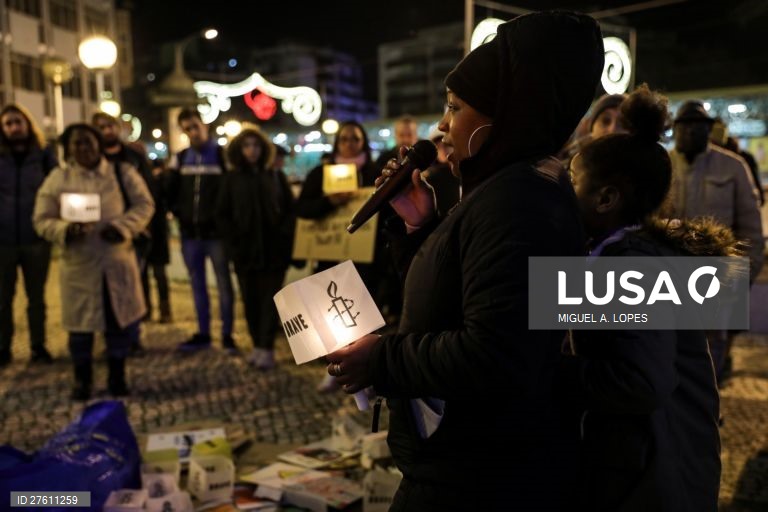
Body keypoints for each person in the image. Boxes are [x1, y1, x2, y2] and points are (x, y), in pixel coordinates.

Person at [324, 12, 605, 510]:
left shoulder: (520, 203)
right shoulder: (505, 190)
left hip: (479, 478)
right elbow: (465, 295)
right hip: (467, 464)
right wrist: (421, 228)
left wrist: (381, 359)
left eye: (455, 107)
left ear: (506, 115)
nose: (442, 125)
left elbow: (497, 355)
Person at [566, 84, 721, 511]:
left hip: (656, 476)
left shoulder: (632, 266)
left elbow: (641, 383)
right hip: (655, 465)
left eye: (572, 182)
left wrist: (547, 371)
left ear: (606, 198)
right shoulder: (622, 253)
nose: (564, 193)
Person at [33, 123, 154, 400]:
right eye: (76, 143)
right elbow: (41, 219)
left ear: (98, 144)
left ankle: (117, 375)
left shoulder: (121, 173)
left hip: (115, 262)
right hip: (78, 266)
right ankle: (82, 379)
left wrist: (123, 227)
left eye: (88, 142)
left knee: (117, 326)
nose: (83, 148)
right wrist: (65, 230)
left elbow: (144, 204)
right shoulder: (58, 179)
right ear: (68, 148)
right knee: (80, 330)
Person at [667, 101, 764, 382]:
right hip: (668, 284)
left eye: (698, 127)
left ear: (708, 129)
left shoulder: (733, 167)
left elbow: (751, 230)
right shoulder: (664, 165)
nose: (690, 133)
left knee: (708, 366)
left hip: (717, 284)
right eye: (684, 126)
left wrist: (738, 281)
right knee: (667, 361)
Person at [217, 126, 295, 367]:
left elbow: (290, 210)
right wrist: (234, 242)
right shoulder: (231, 179)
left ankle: (267, 346)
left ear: (264, 149)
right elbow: (222, 214)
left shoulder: (274, 176)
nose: (252, 150)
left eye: (256, 145)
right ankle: (256, 345)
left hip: (273, 252)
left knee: (270, 301)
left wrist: (284, 236)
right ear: (239, 150)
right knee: (250, 300)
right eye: (247, 145)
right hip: (245, 252)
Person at [167, 108, 235, 352]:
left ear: (204, 125)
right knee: (197, 285)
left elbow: (231, 192)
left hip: (216, 235)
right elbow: (170, 190)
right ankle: (203, 333)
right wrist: (178, 212)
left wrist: (222, 221)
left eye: (194, 126)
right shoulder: (181, 157)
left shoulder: (220, 154)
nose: (192, 132)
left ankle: (227, 335)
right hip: (190, 234)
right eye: (187, 129)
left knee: (224, 285)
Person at [92, 112, 155, 355]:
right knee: (104, 289)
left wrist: (140, 224)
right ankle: (111, 337)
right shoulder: (91, 160)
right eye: (100, 127)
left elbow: (148, 193)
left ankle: (133, 335)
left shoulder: (132, 158)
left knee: (133, 284)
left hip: (133, 231)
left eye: (109, 126)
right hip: (101, 235)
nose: (106, 131)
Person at [0, 104, 58, 367]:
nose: (14, 127)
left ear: (27, 123)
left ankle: (38, 346)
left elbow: (57, 188)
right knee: (3, 298)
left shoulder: (44, 155)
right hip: (3, 241)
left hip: (36, 238)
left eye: (17, 122)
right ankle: (3, 348)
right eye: (8, 123)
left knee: (36, 297)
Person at [558, 93, 627, 165]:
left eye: (622, 123)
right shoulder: (564, 167)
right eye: (605, 121)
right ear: (592, 127)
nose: (612, 129)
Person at [144, 158, 173, 323]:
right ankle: (151, 310)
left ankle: (161, 311)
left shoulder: (157, 181)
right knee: (148, 275)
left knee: (157, 274)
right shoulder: (143, 180)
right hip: (150, 232)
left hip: (156, 232)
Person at [422, 127, 461, 217]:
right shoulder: (429, 176)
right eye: (438, 147)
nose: (443, 150)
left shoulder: (463, 171)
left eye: (446, 145)